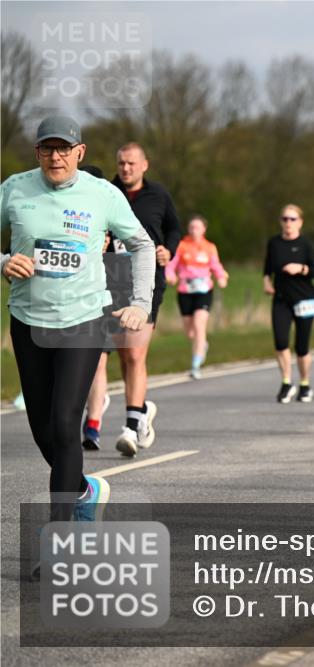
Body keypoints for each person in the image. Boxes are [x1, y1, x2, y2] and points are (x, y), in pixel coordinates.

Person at [1, 115, 155, 538]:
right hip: (28, 322)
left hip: (83, 321)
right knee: (43, 431)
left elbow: (142, 244)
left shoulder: (102, 194)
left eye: (64, 149)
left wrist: (141, 303)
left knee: (66, 424)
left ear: (80, 152)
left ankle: (61, 538)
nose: (56, 157)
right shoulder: (14, 189)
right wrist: (3, 262)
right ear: (37, 152)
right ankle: (85, 490)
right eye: (48, 148)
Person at [110, 142, 181, 457]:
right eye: (122, 163)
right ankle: (141, 412)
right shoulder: (106, 192)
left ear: (144, 165)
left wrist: (169, 250)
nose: (126, 168)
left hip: (148, 283)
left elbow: (174, 229)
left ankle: (129, 427)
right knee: (125, 356)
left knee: (137, 354)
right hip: (113, 282)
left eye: (131, 163)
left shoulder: (159, 195)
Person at [263, 204, 314, 403]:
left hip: (304, 299)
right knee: (280, 342)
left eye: (293, 219)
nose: (288, 223)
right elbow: (267, 267)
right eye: (285, 219)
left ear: (300, 222)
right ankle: (286, 382)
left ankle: (305, 384)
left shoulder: (306, 244)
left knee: (301, 347)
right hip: (281, 299)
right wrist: (266, 282)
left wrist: (301, 268)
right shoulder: (274, 243)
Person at [165, 215, 229, 379]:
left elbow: (216, 265)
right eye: (192, 227)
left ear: (204, 229)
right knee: (190, 333)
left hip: (204, 291)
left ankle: (195, 365)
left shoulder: (209, 247)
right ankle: (202, 344)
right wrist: (170, 275)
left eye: (198, 227)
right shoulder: (182, 246)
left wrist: (221, 277)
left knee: (200, 326)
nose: (194, 230)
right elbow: (171, 264)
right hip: (185, 291)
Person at [79, 164, 112, 451]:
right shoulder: (62, 213)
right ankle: (92, 402)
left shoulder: (113, 213)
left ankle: (93, 424)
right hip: (64, 302)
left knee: (99, 362)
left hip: (101, 300)